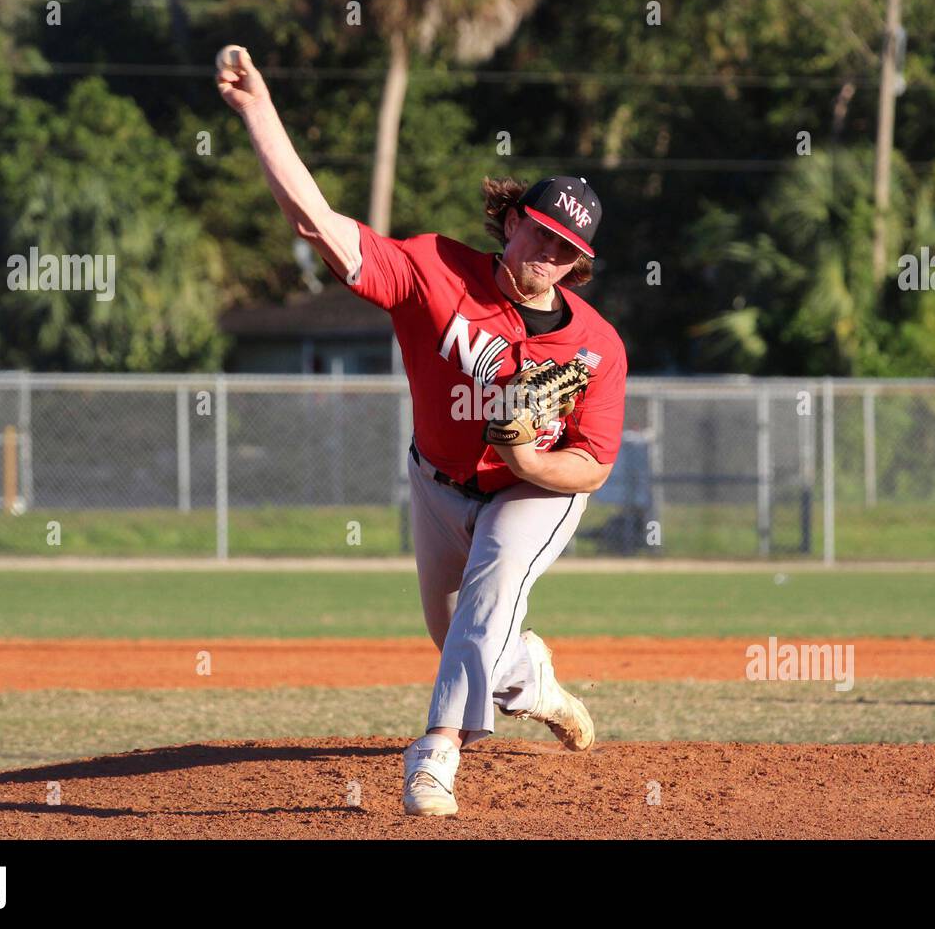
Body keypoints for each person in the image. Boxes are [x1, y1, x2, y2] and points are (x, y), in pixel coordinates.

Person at [218, 46, 628, 817]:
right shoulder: (433, 271)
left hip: (530, 492)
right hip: (436, 481)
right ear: (511, 221)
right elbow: (317, 224)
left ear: (579, 264)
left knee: (492, 585)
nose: (549, 252)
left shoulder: (597, 345)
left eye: (567, 249)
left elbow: (594, 469)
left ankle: (434, 756)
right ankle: (529, 680)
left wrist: (526, 457)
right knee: (460, 635)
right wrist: (258, 112)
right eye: (539, 232)